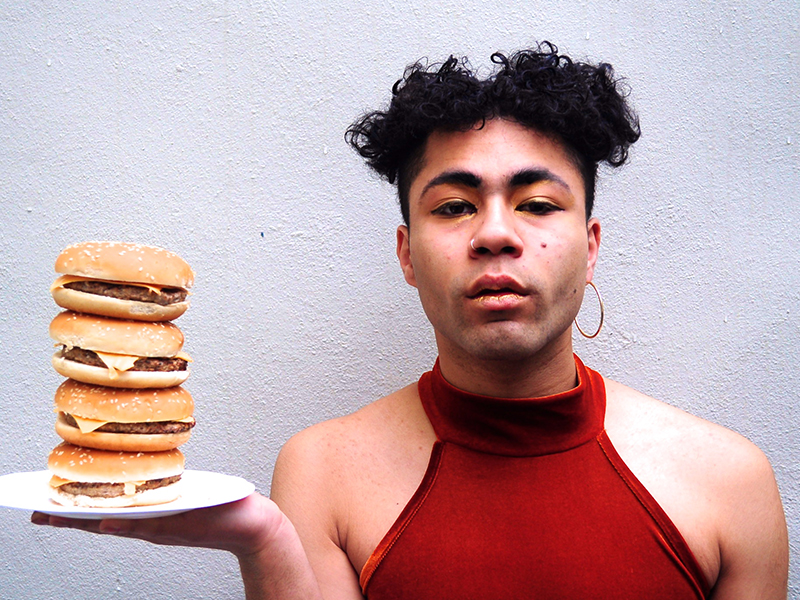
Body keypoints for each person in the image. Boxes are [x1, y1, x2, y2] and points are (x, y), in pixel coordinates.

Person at [32, 42, 789, 599]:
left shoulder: (730, 483)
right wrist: (263, 546)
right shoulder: (321, 473)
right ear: (407, 254)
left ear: (590, 247)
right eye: (454, 206)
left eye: (537, 203)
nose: (496, 233)